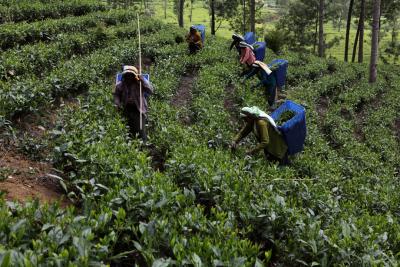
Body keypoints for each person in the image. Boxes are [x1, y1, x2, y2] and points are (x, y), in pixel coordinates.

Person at [113, 65, 154, 142]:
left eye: (131, 75)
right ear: (124, 76)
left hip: (139, 110)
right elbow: (116, 95)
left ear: (134, 76)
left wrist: (142, 80)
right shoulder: (120, 85)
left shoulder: (139, 84)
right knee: (126, 129)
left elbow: (150, 91)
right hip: (126, 109)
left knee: (140, 130)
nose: (129, 77)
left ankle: (143, 147)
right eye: (127, 75)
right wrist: (117, 103)